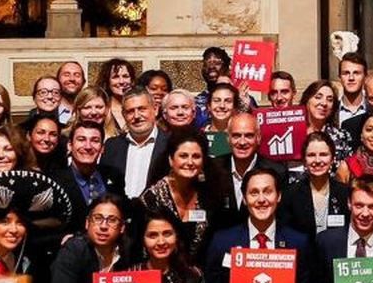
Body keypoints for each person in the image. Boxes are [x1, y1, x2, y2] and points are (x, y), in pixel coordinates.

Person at [129, 129, 231, 269]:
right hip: (159, 274)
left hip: (199, 277)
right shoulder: (152, 198)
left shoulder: (210, 195)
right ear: (171, 160)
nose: (190, 162)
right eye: (183, 156)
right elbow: (138, 248)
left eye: (196, 156)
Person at [43, 197, 127, 283]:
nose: (103, 226)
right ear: (87, 223)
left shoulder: (127, 254)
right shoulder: (74, 250)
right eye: (98, 218)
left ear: (122, 228)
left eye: (112, 220)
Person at [282, 131, 352, 239]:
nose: (318, 160)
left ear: (332, 159)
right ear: (304, 161)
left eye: (323, 155)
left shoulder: (345, 193)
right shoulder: (290, 195)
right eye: (311, 155)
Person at [101, 90, 164, 200]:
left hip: (157, 215)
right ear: (123, 115)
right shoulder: (112, 146)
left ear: (155, 109)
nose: (136, 116)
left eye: (142, 109)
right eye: (130, 111)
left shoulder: (169, 144)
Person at [46, 119, 121, 208]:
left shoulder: (115, 176)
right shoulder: (54, 181)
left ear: (102, 148)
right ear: (70, 145)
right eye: (81, 140)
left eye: (95, 140)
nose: (88, 146)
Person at [222, 111, 283, 208]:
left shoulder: (276, 171)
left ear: (258, 138)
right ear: (228, 138)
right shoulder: (214, 168)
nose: (242, 142)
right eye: (236, 136)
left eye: (249, 136)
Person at [299, 79, 354, 168]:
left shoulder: (341, 137)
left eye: (329, 99)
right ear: (307, 100)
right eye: (318, 97)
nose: (324, 103)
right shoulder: (293, 133)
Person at [96, 57, 137, 137]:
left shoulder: (139, 107)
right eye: (115, 77)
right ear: (107, 81)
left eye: (125, 76)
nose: (121, 81)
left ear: (132, 80)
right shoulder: (102, 109)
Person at [335, 51, 370, 124]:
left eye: (356, 73)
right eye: (346, 73)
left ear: (365, 77)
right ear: (339, 77)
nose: (351, 78)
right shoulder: (331, 111)